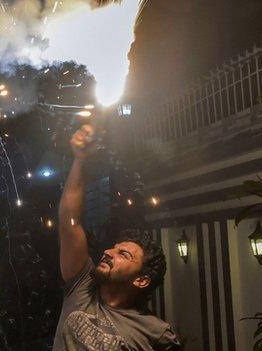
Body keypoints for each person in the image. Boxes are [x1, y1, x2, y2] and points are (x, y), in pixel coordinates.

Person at [53, 125, 180, 350]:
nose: (108, 252)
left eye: (123, 254)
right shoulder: (82, 286)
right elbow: (69, 221)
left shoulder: (156, 334)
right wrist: (80, 161)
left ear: (141, 280)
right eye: (114, 248)